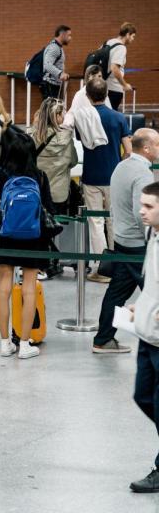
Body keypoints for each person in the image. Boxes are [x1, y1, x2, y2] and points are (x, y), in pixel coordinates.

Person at [0, 131, 54, 360]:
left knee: (4, 287)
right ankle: (25, 344)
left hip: (4, 237)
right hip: (33, 239)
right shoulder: (40, 176)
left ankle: (5, 343)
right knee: (28, 288)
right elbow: (49, 211)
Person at [93, 129, 159, 354]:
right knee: (155, 292)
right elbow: (140, 211)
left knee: (117, 292)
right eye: (158, 144)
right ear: (147, 148)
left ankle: (102, 339)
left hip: (122, 240)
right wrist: (154, 237)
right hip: (137, 245)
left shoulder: (121, 166)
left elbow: (114, 206)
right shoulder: (142, 174)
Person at [82, 78, 133, 283]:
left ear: (87, 95)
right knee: (114, 221)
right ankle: (115, 267)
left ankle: (100, 268)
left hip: (91, 176)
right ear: (106, 94)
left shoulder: (84, 118)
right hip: (114, 177)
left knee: (95, 222)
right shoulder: (119, 118)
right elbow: (129, 151)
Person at [129, 181, 159, 493]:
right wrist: (144, 303)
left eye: (149, 206)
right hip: (146, 335)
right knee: (143, 395)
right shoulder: (153, 235)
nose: (142, 211)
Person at [31, 98, 76, 217]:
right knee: (56, 227)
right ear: (57, 116)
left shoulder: (33, 137)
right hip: (59, 194)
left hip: (36, 191)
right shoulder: (67, 140)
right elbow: (73, 161)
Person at [105, 22, 136, 111]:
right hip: (113, 90)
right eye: (133, 36)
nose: (133, 39)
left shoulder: (108, 42)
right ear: (127, 35)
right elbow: (114, 68)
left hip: (103, 88)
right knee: (111, 119)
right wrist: (124, 84)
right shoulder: (121, 47)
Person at [39, 25, 71, 100]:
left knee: (54, 110)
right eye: (69, 35)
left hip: (53, 85)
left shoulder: (57, 47)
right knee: (51, 111)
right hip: (50, 86)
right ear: (62, 35)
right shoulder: (54, 48)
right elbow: (47, 65)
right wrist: (60, 74)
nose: (70, 38)